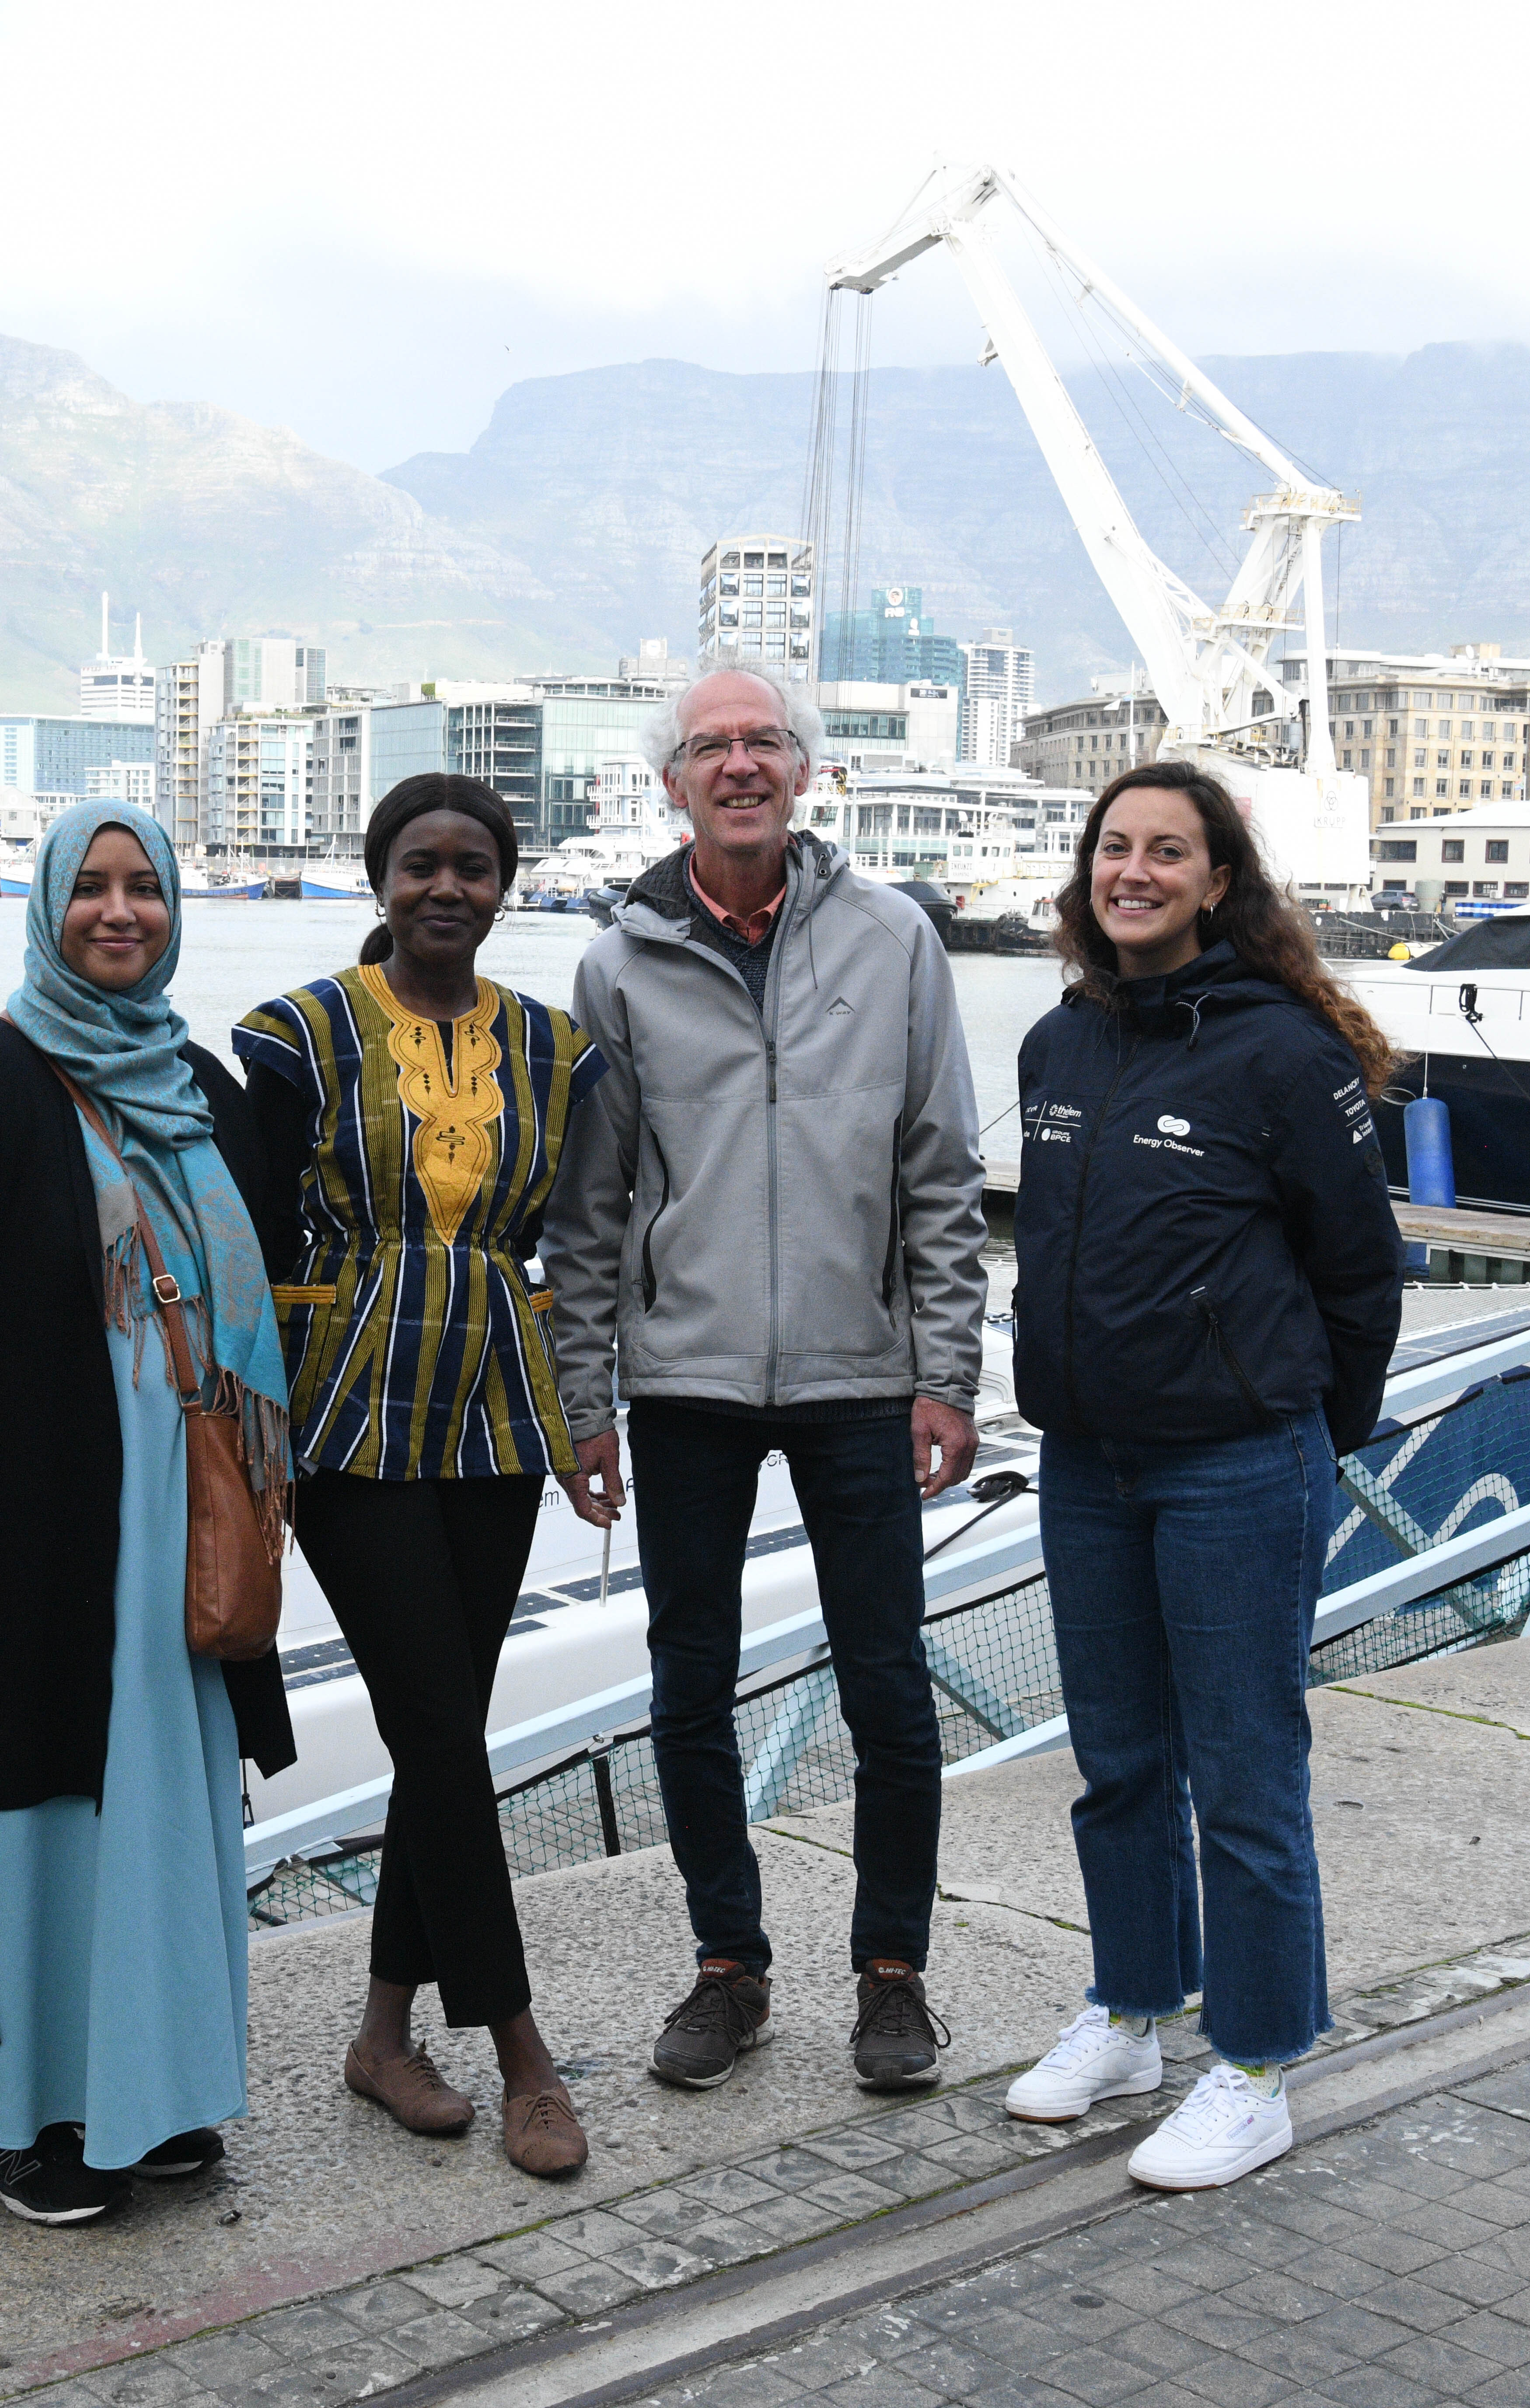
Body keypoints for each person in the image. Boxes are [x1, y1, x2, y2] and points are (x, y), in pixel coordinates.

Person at [540, 655, 989, 2097]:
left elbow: (940, 1173)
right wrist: (584, 1402)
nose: (741, 765)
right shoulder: (617, 967)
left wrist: (950, 1373)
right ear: (670, 783)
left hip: (863, 1376)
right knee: (689, 1686)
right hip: (687, 1383)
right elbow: (588, 1211)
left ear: (806, 774)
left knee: (889, 1690)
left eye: (766, 743)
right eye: (712, 747)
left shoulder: (894, 940)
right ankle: (728, 1967)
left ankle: (893, 1975)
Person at [0, 801, 300, 2226]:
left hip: (179, 1534)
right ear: (46, 906)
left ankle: (140, 2094)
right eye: (92, 888)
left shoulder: (208, 1089)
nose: (121, 912)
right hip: (30, 1535)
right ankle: (0, 2121)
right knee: (20, 1813)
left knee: (159, 1812)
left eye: (146, 889)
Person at [996, 759, 1404, 2191]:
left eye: (1170, 853)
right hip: (1087, 1462)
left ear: (1219, 881)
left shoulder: (1283, 1056)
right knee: (1116, 1766)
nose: (1137, 874)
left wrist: (1303, 1434)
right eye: (1117, 849)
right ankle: (1130, 2011)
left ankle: (1257, 2063)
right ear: (1087, 872)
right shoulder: (1059, 1047)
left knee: (1242, 1777)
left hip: (1238, 1464)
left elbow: (1362, 1273)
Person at [236, 774, 606, 2180]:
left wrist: (588, 1419)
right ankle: (523, 2052)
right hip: (349, 1411)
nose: (446, 888)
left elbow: (582, 1242)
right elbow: (256, 1244)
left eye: (473, 867)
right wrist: (251, 1440)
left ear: (504, 884)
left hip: (499, 1410)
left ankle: (384, 2034)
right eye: (418, 865)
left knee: (440, 1732)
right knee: (444, 1735)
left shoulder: (559, 1051)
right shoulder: (297, 1038)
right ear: (377, 876)